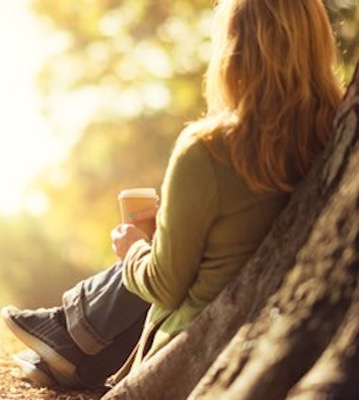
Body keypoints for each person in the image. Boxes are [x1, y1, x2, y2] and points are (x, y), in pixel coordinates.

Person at [1, 0, 343, 390]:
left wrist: (132, 250)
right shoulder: (333, 134)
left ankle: (71, 338)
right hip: (274, 330)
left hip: (194, 345)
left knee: (152, 254)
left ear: (232, 50)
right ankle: (68, 342)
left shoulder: (211, 149)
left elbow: (166, 284)